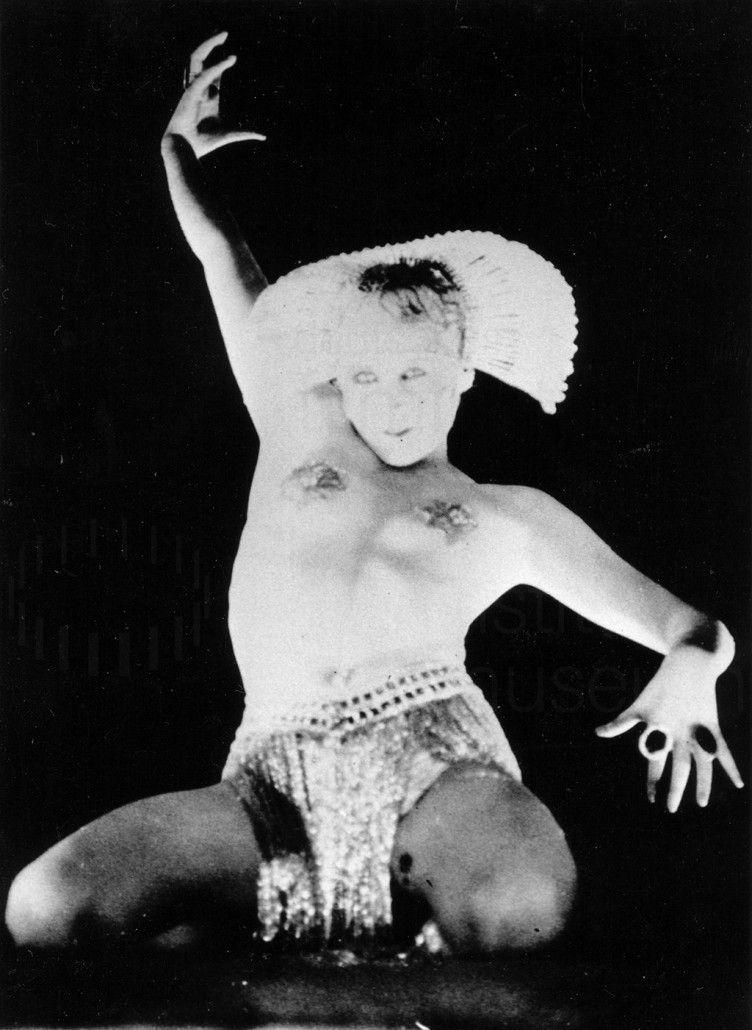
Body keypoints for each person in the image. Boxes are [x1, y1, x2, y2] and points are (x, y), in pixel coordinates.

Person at [5, 33, 743, 957]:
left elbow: (691, 627)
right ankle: (283, 922)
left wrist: (694, 671)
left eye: (417, 373)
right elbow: (223, 257)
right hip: (268, 779)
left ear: (464, 368)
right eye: (366, 374)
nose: (390, 401)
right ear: (334, 374)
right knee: (48, 908)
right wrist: (177, 156)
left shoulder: (506, 514)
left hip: (438, 773)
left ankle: (412, 922)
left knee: (516, 907)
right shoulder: (296, 425)